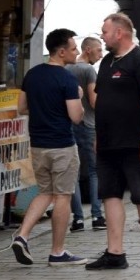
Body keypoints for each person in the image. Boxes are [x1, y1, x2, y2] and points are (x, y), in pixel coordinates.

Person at [87, 13, 140, 270]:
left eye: (105, 32)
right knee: (110, 195)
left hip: (135, 142)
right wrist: (99, 136)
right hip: (108, 142)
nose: (102, 36)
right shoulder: (107, 61)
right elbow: (102, 101)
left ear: (119, 33)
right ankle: (115, 253)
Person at [11, 29, 87, 267]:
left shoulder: (32, 75)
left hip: (38, 145)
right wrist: (80, 98)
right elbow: (76, 117)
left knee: (45, 192)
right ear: (61, 51)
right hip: (62, 145)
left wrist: (44, 111)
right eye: (74, 48)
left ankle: (22, 236)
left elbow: (21, 108)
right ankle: (57, 251)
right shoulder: (67, 80)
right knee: (63, 195)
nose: (77, 52)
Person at [68, 36, 106, 233]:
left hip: (70, 125)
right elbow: (93, 101)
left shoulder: (67, 69)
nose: (101, 55)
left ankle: (78, 219)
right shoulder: (88, 70)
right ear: (88, 50)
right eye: (99, 50)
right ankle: (98, 216)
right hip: (89, 125)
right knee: (94, 171)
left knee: (73, 172)